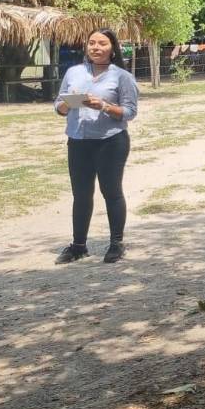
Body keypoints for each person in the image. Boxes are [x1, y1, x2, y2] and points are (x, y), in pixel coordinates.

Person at [54, 29, 140, 264]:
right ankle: (79, 245)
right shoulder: (74, 72)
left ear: (112, 48)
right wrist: (66, 105)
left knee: (111, 192)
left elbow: (130, 112)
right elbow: (58, 105)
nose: (96, 47)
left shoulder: (122, 77)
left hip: (111, 141)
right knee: (81, 194)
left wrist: (103, 105)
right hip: (78, 141)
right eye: (91, 43)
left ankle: (116, 243)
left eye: (102, 43)